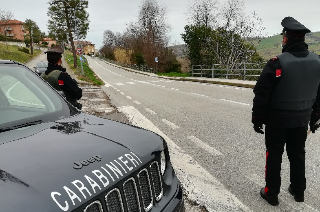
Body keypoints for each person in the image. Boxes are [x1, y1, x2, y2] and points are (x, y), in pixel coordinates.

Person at [252, 17, 320, 206]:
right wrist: (315, 116)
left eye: (283, 37)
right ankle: (298, 192)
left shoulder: (277, 63)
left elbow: (261, 93)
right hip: (302, 119)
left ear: (286, 39)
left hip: (277, 120)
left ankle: (271, 192)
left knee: (274, 154)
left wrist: (257, 118)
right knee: (298, 154)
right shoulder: (318, 61)